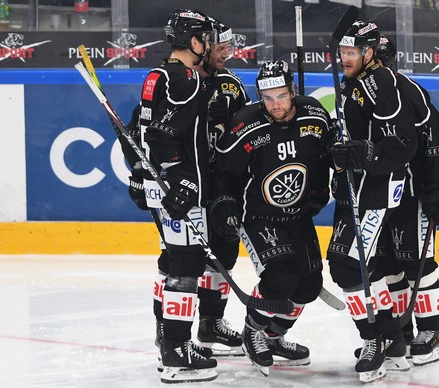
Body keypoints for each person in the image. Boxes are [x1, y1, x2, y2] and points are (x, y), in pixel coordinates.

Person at [211, 60, 333, 376]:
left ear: (293, 91)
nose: (274, 105)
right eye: (267, 98)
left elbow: (324, 157)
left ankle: (272, 335)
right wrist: (224, 204)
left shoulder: (315, 117)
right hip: (259, 217)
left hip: (298, 215)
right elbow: (222, 172)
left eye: (281, 96)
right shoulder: (246, 125)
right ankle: (253, 331)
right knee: (282, 276)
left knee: (309, 285)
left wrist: (322, 188)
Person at [325, 21, 418, 383]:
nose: (344, 58)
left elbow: (402, 146)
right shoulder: (356, 81)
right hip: (357, 187)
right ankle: (392, 341)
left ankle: (375, 339)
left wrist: (360, 153)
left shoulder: (382, 84)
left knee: (347, 264)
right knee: (365, 263)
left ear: (369, 53)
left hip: (376, 191)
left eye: (351, 53)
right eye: (342, 52)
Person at [136, 8, 217, 384]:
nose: (210, 44)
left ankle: (166, 338)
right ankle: (176, 353)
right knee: (187, 264)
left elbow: (141, 128)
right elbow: (163, 136)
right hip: (177, 190)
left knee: (172, 260)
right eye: (205, 37)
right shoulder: (185, 78)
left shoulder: (158, 75)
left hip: (160, 187)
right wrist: (181, 180)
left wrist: (141, 175)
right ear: (194, 41)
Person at [372, 34, 439, 366]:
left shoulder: (411, 93)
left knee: (417, 264)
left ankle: (430, 332)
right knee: (388, 267)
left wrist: (435, 187)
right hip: (377, 196)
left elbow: (435, 145)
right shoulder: (359, 94)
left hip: (412, 195)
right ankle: (400, 331)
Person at [194, 17, 251, 357]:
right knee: (183, 260)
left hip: (222, 185)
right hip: (188, 183)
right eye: (219, 47)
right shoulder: (183, 81)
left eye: (229, 46)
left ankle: (211, 322)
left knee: (224, 254)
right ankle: (173, 334)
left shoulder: (231, 86)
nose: (226, 53)